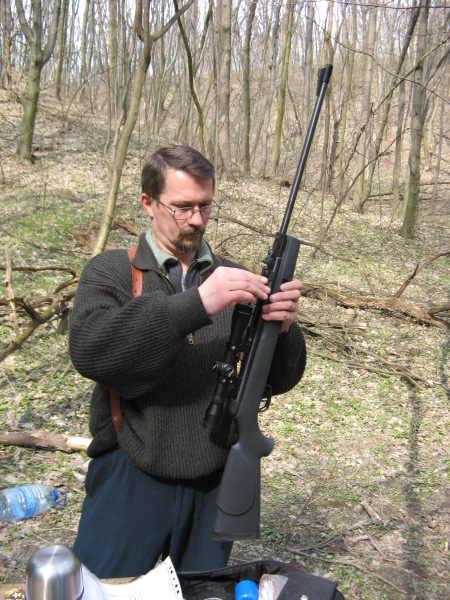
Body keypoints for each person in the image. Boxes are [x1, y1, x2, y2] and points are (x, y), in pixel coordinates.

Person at [69, 145, 306, 578]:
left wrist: (284, 330)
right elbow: (90, 350)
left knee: (201, 590)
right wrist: (197, 303)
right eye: (182, 207)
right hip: (129, 472)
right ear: (148, 203)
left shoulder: (235, 278)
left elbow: (281, 378)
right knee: (103, 588)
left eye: (204, 206)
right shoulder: (111, 271)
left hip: (213, 479)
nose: (196, 219)